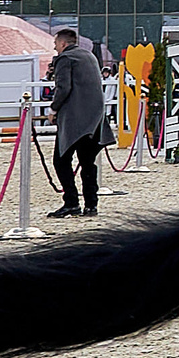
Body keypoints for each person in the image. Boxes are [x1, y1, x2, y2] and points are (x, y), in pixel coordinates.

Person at [45, 27, 112, 218]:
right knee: (87, 163)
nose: (55, 47)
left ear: (64, 43)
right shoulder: (89, 56)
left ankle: (71, 202)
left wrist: (53, 109)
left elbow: (63, 87)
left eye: (56, 43)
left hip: (75, 119)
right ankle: (91, 204)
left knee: (61, 161)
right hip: (95, 118)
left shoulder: (65, 59)